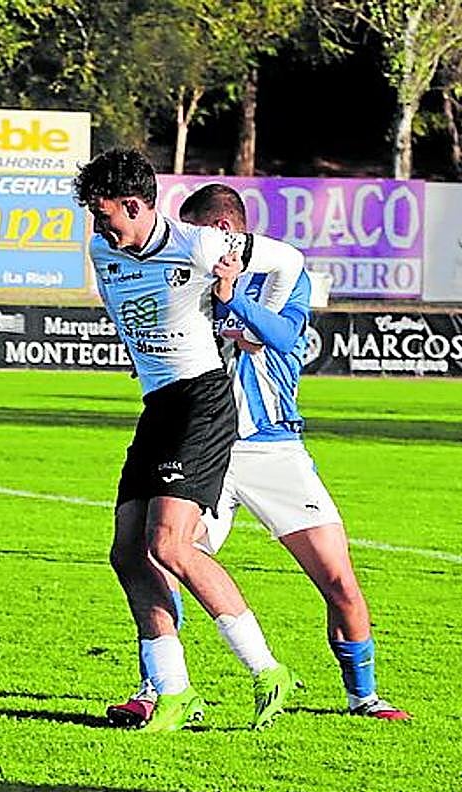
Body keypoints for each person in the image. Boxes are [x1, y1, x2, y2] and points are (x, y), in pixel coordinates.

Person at [108, 183, 409, 726]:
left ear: (224, 231)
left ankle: (364, 696)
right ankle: (158, 687)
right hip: (202, 444)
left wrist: (236, 302)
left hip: (273, 448)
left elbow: (285, 337)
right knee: (161, 557)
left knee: (338, 580)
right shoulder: (185, 273)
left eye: (198, 230)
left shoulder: (281, 276)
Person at [74, 149, 304, 732]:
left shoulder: (200, 244)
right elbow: (125, 307)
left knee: (171, 545)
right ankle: (175, 692)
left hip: (202, 402)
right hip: (159, 407)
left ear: (135, 205)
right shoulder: (103, 250)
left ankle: (267, 669)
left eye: (106, 214)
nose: (100, 227)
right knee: (127, 552)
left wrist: (242, 312)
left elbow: (291, 262)